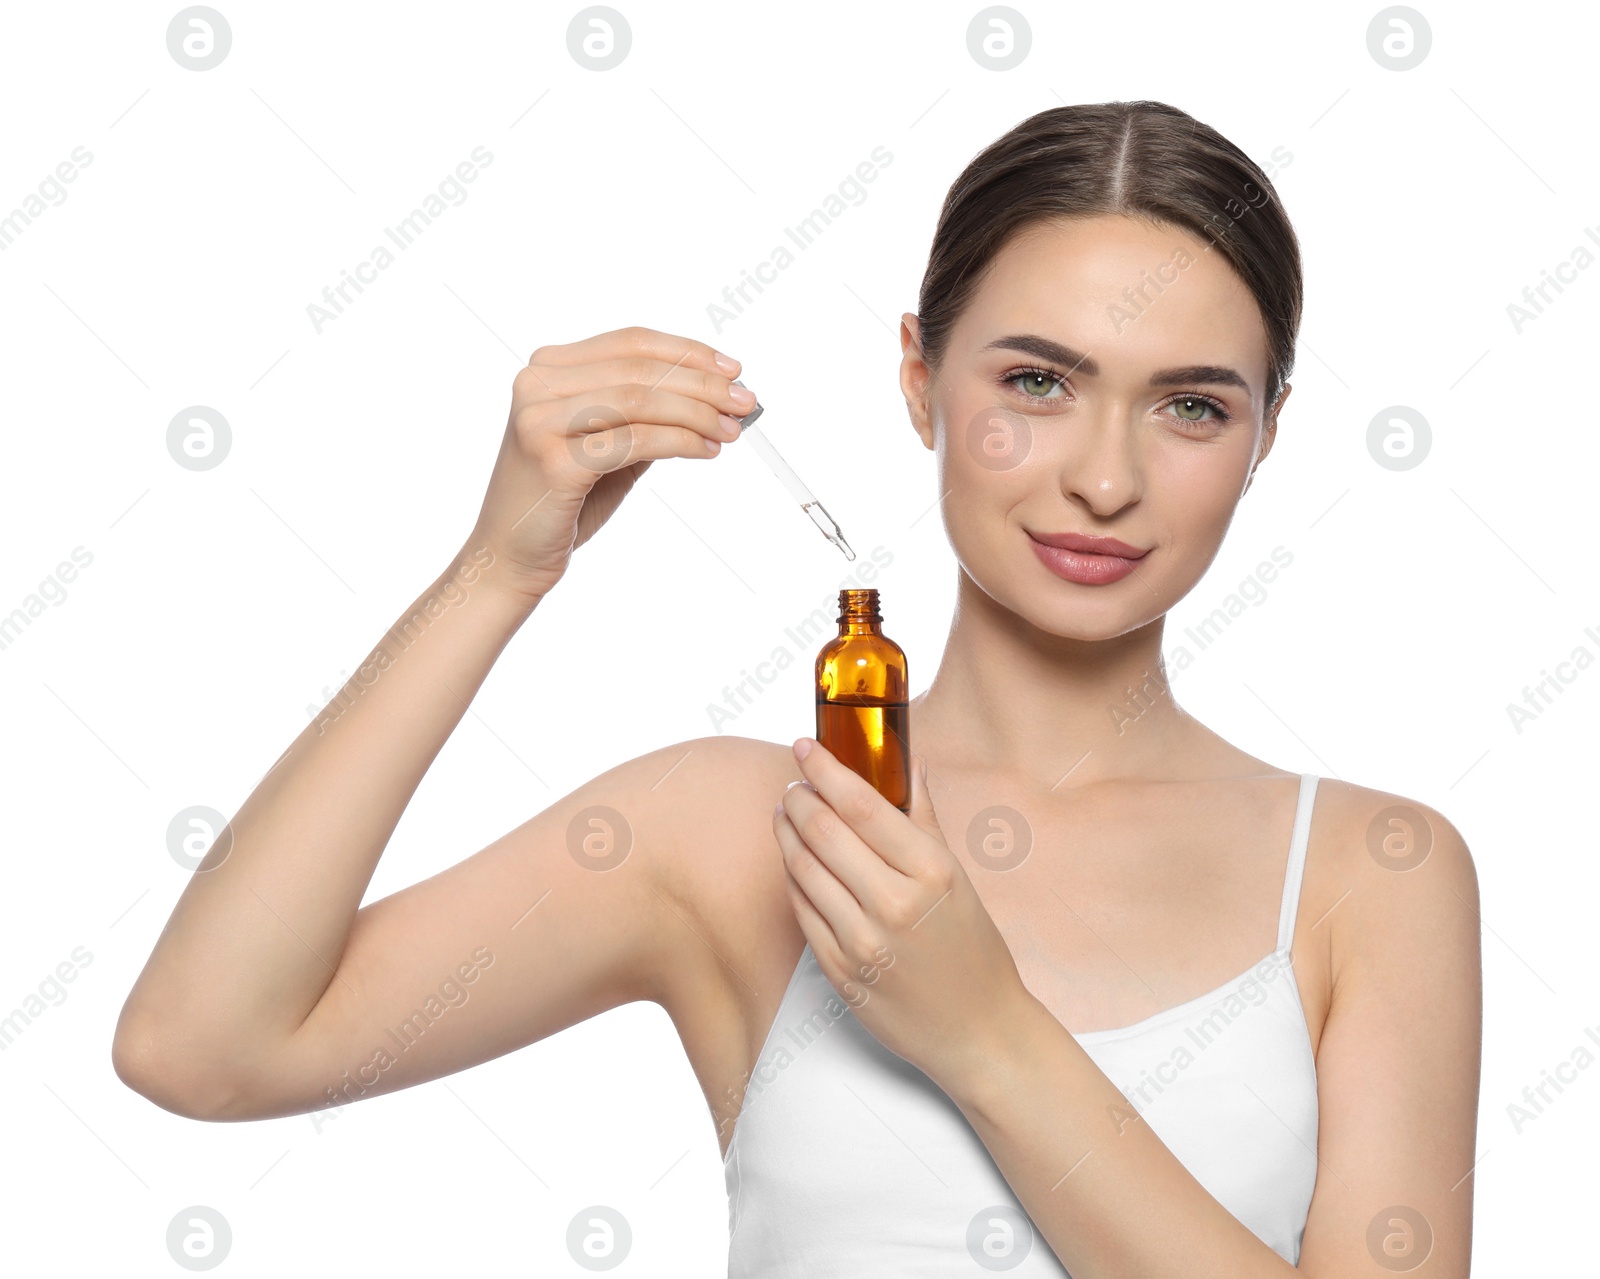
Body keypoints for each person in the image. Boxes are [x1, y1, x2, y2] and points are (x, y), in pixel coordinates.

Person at [113, 100, 1481, 1276]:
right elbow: (204, 1043)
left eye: (1191, 405)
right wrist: (495, 573)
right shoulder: (732, 833)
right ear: (918, 378)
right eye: (1038, 382)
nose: (1107, 478)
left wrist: (987, 1033)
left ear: (1266, 436)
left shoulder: (1375, 873)